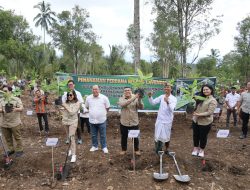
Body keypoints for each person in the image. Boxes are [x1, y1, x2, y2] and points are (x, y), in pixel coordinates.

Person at [148, 82, 177, 155]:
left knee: (167, 136)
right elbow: (153, 103)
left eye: (168, 87)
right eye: (165, 87)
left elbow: (172, 109)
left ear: (171, 89)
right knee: (158, 135)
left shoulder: (174, 98)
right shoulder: (161, 96)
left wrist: (167, 102)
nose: (166, 88)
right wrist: (150, 97)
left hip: (167, 120)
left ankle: (167, 149)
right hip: (160, 120)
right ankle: (158, 149)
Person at [192, 84, 217, 157]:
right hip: (196, 120)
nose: (205, 91)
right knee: (195, 135)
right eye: (204, 90)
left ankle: (201, 149)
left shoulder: (213, 100)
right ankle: (195, 148)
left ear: (211, 90)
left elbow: (210, 112)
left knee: (203, 136)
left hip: (205, 122)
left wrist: (199, 114)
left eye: (207, 89)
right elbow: (195, 107)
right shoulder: (199, 98)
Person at [117, 87, 144, 156]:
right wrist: (135, 97)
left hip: (134, 122)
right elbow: (124, 104)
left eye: (128, 90)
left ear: (131, 91)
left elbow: (141, 107)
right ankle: (124, 150)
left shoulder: (136, 98)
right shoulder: (121, 99)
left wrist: (140, 98)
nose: (127, 91)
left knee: (135, 138)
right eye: (125, 90)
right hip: (124, 122)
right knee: (124, 137)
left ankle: (136, 150)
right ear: (124, 92)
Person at [0, 85, 24, 157]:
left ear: (10, 91)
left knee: (17, 137)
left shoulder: (16, 99)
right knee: (7, 138)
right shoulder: (1, 100)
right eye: (2, 91)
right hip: (4, 123)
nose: (4, 93)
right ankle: (11, 149)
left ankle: (20, 150)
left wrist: (16, 109)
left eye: (5, 91)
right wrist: (2, 110)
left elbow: (21, 108)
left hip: (14, 122)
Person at [85, 85, 110, 154]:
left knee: (103, 135)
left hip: (102, 120)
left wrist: (102, 113)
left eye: (96, 89)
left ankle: (104, 147)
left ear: (99, 90)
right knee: (93, 134)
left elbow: (107, 107)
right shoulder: (88, 98)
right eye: (93, 89)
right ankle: (95, 146)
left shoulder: (104, 98)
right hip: (92, 120)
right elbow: (87, 106)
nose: (95, 91)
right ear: (92, 90)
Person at [61, 90, 81, 163]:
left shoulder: (77, 103)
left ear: (74, 95)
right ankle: (70, 149)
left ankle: (73, 155)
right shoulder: (66, 103)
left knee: (71, 137)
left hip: (73, 122)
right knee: (68, 137)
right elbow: (64, 111)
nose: (69, 96)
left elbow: (72, 112)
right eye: (68, 95)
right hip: (66, 122)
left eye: (71, 95)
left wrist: (65, 106)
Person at [62, 80, 83, 144]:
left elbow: (81, 102)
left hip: (76, 113)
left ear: (74, 85)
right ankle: (68, 139)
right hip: (67, 113)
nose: (70, 85)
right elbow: (63, 102)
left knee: (78, 126)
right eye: (69, 85)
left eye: (71, 84)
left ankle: (79, 139)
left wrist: (75, 109)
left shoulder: (78, 93)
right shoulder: (65, 94)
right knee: (67, 125)